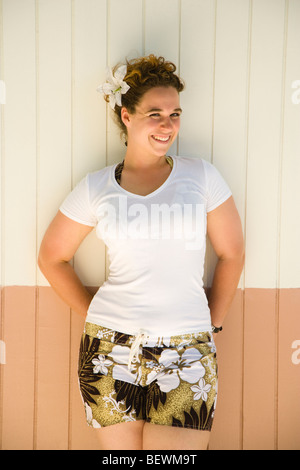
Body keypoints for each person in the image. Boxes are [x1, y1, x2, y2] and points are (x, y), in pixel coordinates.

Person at [38, 55, 244, 451]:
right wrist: (96, 315)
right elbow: (52, 256)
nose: (167, 125)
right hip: (108, 351)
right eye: (155, 113)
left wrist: (211, 326)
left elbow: (232, 253)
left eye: (175, 113)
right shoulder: (97, 187)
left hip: (188, 350)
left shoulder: (201, 176)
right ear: (126, 115)